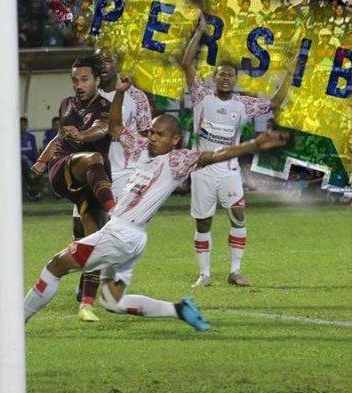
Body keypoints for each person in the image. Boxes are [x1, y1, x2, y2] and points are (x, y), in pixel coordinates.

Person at [23, 78, 289, 328]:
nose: (152, 137)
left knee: (55, 266)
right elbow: (115, 127)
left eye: (159, 134)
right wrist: (120, 92)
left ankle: (15, 322)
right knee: (112, 302)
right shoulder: (140, 148)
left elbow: (218, 154)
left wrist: (254, 144)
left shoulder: (177, 160)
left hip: (122, 233)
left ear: (174, 140)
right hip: (130, 237)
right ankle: (179, 310)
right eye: (151, 131)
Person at [181, 13, 294, 288]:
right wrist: (199, 32)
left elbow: (276, 103)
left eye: (230, 76)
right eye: (221, 75)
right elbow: (185, 63)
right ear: (214, 77)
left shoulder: (244, 104)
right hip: (203, 170)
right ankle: (204, 275)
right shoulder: (201, 96)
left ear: (235, 80)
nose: (226, 79)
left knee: (239, 215)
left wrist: (289, 73)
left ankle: (235, 270)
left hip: (229, 171)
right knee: (203, 223)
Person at [31, 56, 116, 322]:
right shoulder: (67, 104)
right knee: (94, 158)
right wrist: (43, 159)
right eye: (75, 79)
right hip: (64, 169)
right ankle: (117, 210)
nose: (78, 85)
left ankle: (86, 304)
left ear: (97, 80)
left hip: (89, 183)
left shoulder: (105, 106)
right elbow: (60, 136)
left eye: (84, 79)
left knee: (92, 241)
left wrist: (83, 135)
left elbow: (102, 129)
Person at [72, 49, 154, 321]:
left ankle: (97, 293)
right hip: (91, 172)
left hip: (123, 173)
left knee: (111, 233)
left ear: (118, 63)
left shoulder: (137, 98)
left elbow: (146, 138)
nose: (103, 66)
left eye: (108, 60)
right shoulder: (85, 97)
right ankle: (87, 277)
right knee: (80, 232)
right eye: (98, 62)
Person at [20, 117, 40, 201]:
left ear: (27, 125)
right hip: (19, 164)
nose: (22, 127)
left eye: (24, 125)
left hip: (31, 162)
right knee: (24, 166)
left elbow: (35, 152)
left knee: (41, 167)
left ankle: (32, 190)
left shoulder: (31, 137)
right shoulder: (13, 137)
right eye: (20, 125)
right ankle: (33, 192)